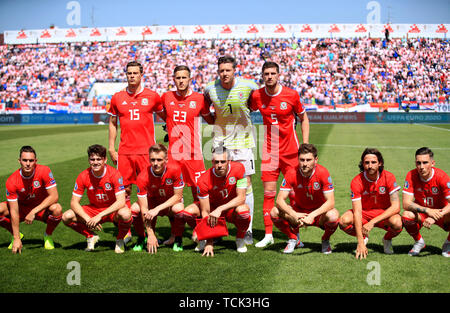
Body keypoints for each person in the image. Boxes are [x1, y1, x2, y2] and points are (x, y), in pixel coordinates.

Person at [249, 61, 310, 248]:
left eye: (272, 73)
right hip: (269, 151)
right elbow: (246, 109)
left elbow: (304, 118)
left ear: (278, 75)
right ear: (262, 75)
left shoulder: (291, 95)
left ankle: (295, 235)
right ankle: (268, 234)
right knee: (268, 194)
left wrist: (305, 144)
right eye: (266, 73)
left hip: (291, 151)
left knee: (292, 195)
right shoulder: (257, 95)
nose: (269, 77)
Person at [204, 55, 259, 245]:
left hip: (243, 143)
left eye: (228, 70)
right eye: (221, 70)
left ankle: (248, 229)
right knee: (218, 185)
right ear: (218, 71)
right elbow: (205, 110)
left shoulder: (249, 86)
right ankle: (217, 227)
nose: (224, 73)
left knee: (247, 184)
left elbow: (260, 102)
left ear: (235, 70)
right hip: (221, 143)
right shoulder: (210, 88)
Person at [107, 60, 164, 244]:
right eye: (129, 73)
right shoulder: (117, 97)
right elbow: (112, 123)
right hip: (125, 152)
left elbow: (166, 117)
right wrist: (111, 147)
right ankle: (126, 228)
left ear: (141, 74)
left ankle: (149, 228)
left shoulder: (153, 96)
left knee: (147, 190)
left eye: (135, 73)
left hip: (147, 153)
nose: (132, 76)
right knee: (124, 191)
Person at [160, 65, 214, 245]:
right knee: (175, 197)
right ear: (173, 79)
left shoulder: (199, 99)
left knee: (200, 195)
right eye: (178, 78)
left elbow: (212, 121)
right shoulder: (166, 97)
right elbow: (162, 115)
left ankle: (203, 234)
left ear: (190, 79)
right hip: (173, 156)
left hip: (194, 155)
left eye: (184, 77)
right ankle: (176, 236)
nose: (181, 81)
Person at [181, 145, 251, 256]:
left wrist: (220, 208)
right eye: (216, 162)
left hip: (229, 209)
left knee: (244, 211)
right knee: (187, 212)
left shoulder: (239, 169)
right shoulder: (203, 180)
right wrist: (209, 241)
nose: (219, 165)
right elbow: (205, 211)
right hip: (211, 210)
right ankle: (203, 237)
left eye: (223, 162)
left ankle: (240, 239)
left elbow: (241, 198)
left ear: (229, 161)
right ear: (212, 162)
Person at [62, 144, 132, 253]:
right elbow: (74, 203)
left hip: (112, 210)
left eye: (99, 159)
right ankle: (91, 236)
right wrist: (88, 219)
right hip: (94, 209)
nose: (95, 162)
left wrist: (99, 216)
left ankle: (119, 240)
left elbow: (121, 201)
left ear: (105, 160)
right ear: (89, 160)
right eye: (92, 159)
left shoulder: (114, 174)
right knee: (66, 216)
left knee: (126, 213)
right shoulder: (83, 175)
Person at [271, 144, 339, 254]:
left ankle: (325, 240)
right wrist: (293, 213)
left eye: (308, 160)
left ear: (316, 160)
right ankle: (293, 238)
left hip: (318, 215)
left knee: (333, 215)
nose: (305, 163)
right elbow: (279, 200)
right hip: (298, 212)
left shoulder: (323, 172)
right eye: (302, 160)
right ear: (298, 159)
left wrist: (312, 215)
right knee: (274, 212)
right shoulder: (291, 172)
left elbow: (331, 202)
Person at [339, 148, 402, 259]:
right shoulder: (356, 181)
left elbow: (396, 207)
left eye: (373, 162)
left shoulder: (389, 177)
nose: (370, 166)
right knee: (343, 221)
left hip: (383, 215)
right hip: (364, 214)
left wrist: (373, 222)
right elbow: (357, 212)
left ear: (380, 163)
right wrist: (360, 242)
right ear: (362, 164)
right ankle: (363, 238)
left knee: (398, 223)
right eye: (366, 163)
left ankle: (387, 239)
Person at [0, 146, 62, 254]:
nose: (28, 164)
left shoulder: (44, 170)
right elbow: (14, 210)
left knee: (57, 209)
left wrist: (33, 212)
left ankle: (47, 236)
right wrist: (16, 238)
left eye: (31, 160)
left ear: (36, 161)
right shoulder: (12, 181)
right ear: (19, 161)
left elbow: (54, 196)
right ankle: (18, 235)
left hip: (40, 208)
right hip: (21, 208)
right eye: (24, 160)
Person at [134, 144, 185, 253]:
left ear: (166, 159)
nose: (155, 163)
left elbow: (178, 196)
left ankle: (177, 238)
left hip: (170, 202)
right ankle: (142, 237)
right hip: (152, 203)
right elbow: (144, 207)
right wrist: (150, 233)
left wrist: (157, 209)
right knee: (134, 209)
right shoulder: (142, 177)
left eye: (159, 160)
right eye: (152, 160)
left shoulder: (175, 169)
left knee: (179, 208)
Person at [401, 147, 450, 257]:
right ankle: (419, 242)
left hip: (443, 213)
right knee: (406, 215)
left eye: (425, 162)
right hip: (423, 213)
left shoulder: (441, 176)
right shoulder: (411, 175)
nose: (421, 167)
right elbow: (406, 204)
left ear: (432, 163)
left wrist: (435, 215)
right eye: (418, 163)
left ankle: (448, 243)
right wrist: (428, 211)